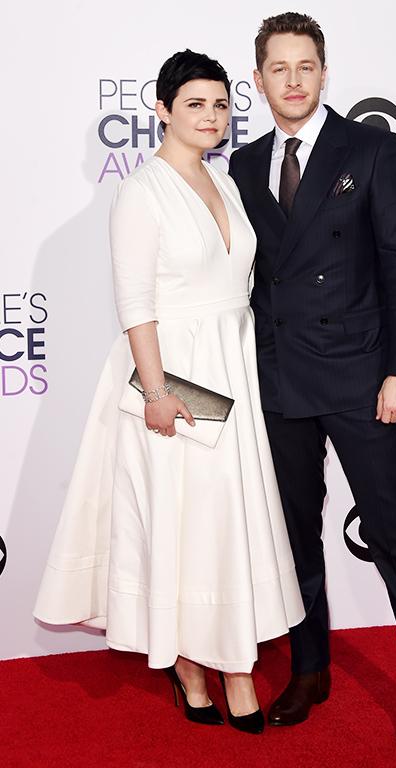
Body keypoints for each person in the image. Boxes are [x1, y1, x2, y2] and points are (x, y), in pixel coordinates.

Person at [34, 50, 305, 734]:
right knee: (183, 519)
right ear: (161, 109)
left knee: (224, 521)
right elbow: (136, 304)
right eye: (195, 104)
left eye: (220, 105)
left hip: (231, 367)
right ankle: (190, 665)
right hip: (174, 373)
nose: (211, 117)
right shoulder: (139, 192)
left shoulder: (230, 184)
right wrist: (155, 392)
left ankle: (235, 663)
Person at [228, 13, 396, 758]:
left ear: (325, 74)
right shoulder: (242, 166)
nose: (293, 81)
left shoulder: (375, 151)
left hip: (363, 379)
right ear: (257, 81)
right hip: (282, 380)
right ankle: (310, 670)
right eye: (278, 69)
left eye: (306, 66)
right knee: (294, 541)